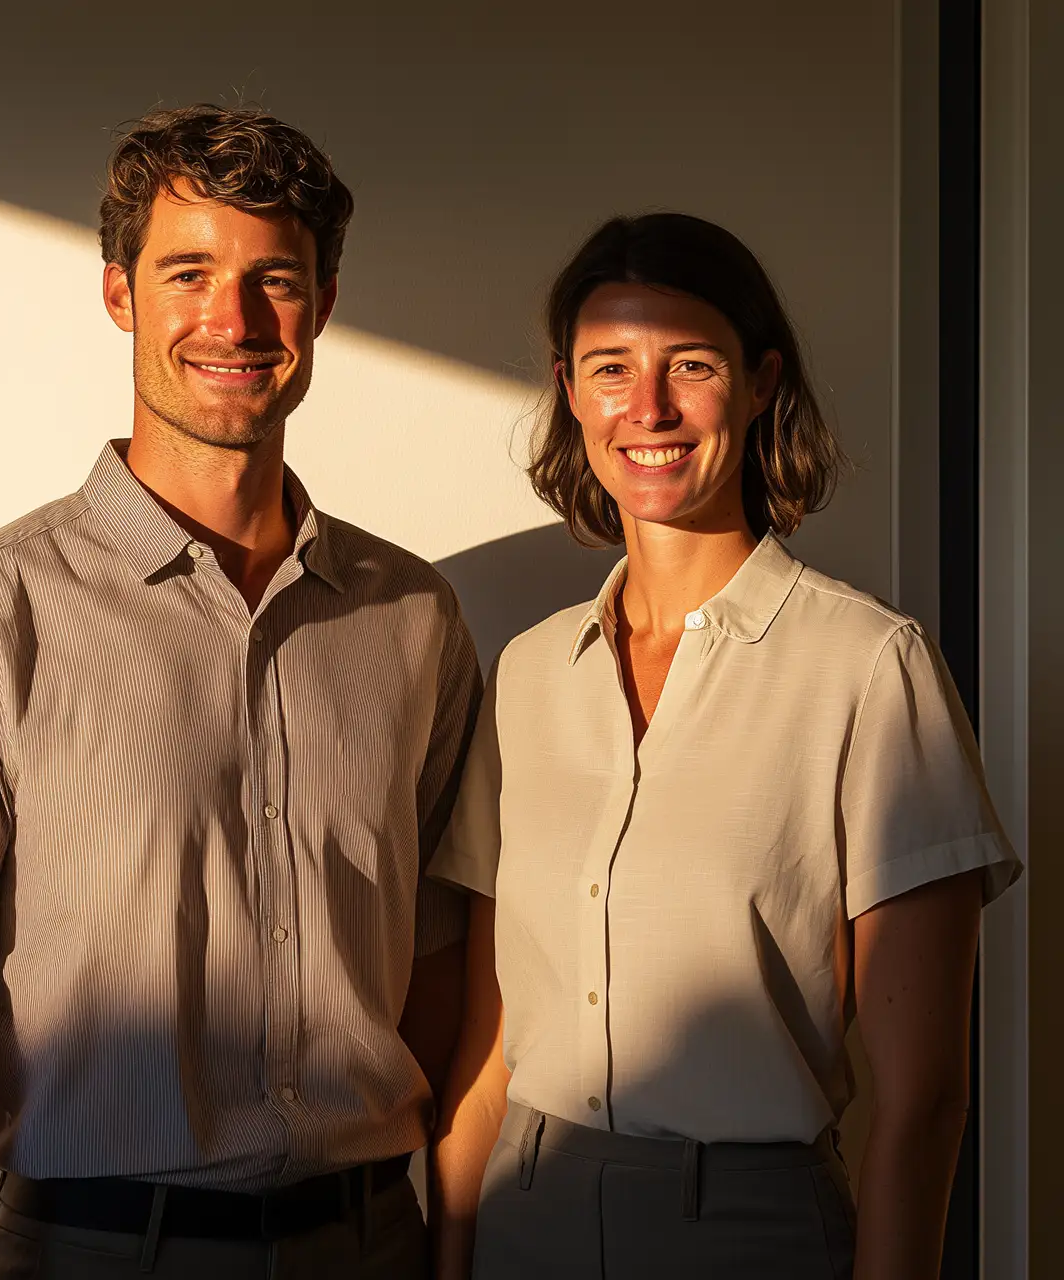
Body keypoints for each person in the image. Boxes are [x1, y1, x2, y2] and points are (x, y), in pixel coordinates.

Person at [0, 104, 481, 1280]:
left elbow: (439, 967)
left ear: (323, 304)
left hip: (372, 1241)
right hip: (94, 1251)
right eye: (188, 272)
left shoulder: (415, 618)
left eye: (272, 278)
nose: (231, 320)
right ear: (119, 293)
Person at [427, 213, 1021, 1280]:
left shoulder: (868, 667)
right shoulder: (522, 675)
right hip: (524, 1217)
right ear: (569, 390)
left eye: (687, 365)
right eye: (610, 367)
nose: (645, 407)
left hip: (750, 1231)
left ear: (757, 383)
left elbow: (923, 1095)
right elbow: (485, 1054)